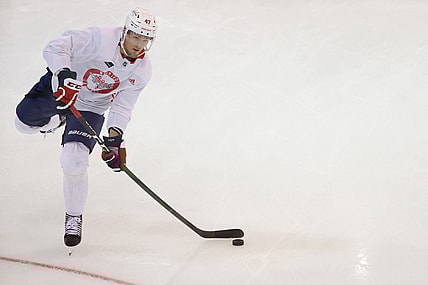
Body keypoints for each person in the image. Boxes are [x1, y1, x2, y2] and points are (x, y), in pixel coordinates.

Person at [15, 7, 157, 247]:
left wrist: (114, 139)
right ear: (125, 32)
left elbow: (122, 107)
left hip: (91, 107)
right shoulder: (99, 38)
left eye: (145, 39)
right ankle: (55, 120)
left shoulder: (142, 71)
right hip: (62, 90)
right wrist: (63, 74)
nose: (138, 44)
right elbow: (55, 47)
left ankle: (73, 216)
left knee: (74, 161)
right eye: (135, 36)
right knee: (22, 124)